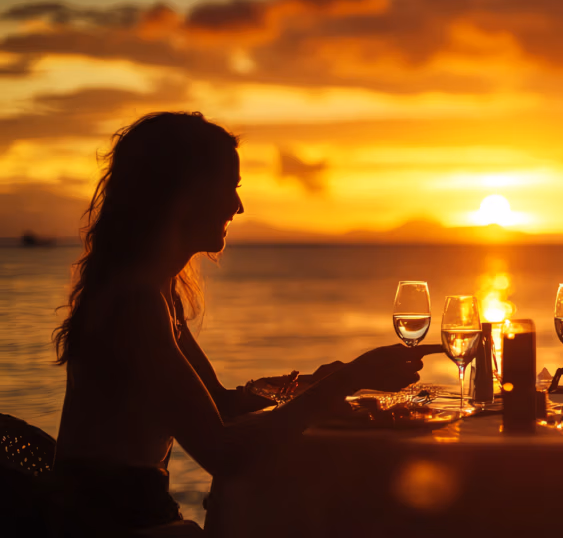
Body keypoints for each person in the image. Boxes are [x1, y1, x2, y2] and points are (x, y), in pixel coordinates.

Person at [51, 112, 431, 536]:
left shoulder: (158, 291)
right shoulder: (134, 306)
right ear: (184, 193)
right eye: (231, 187)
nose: (239, 205)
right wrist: (343, 383)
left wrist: (323, 380)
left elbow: (220, 404)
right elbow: (224, 454)